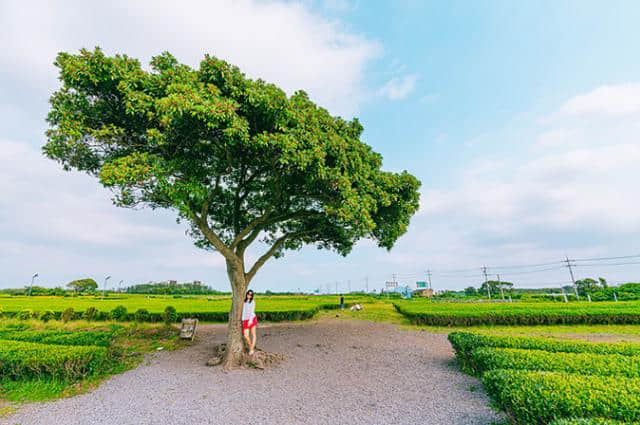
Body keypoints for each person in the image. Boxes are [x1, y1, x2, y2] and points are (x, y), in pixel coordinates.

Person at [242, 289, 257, 355]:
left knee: (253, 334)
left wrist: (250, 320)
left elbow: (252, 312)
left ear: (252, 296)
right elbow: (243, 312)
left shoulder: (253, 302)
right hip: (245, 320)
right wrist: (243, 320)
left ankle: (251, 349)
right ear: (246, 294)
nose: (249, 295)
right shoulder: (244, 302)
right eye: (248, 294)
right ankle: (251, 347)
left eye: (251, 295)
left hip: (252, 319)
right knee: (246, 336)